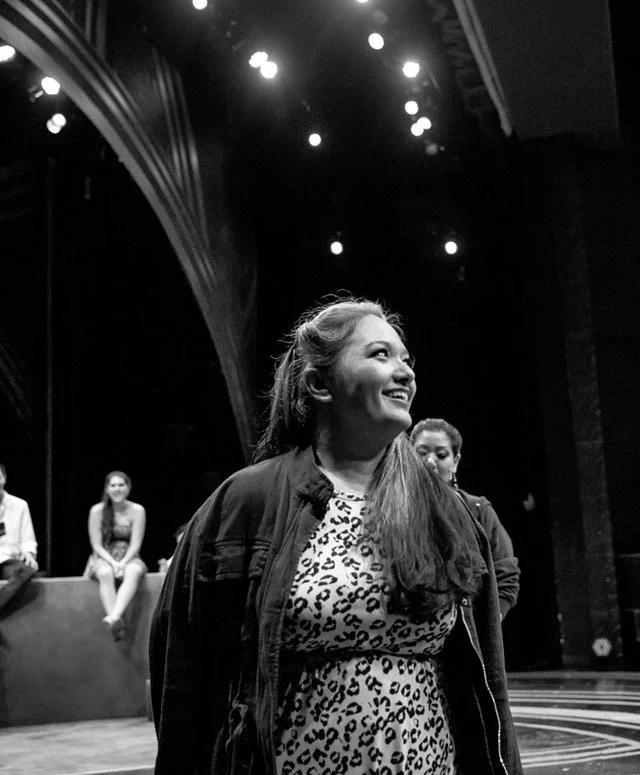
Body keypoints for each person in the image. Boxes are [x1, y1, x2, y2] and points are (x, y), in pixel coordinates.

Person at [150, 298, 523, 775]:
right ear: (319, 383)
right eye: (380, 355)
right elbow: (184, 676)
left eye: (406, 359)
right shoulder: (248, 500)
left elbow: (488, 679)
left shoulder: (443, 509)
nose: (405, 372)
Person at [410, 418, 520, 620]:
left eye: (441, 455)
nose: (430, 462)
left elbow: (506, 574)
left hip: (466, 636)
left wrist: (488, 626)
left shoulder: (477, 510)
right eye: (421, 453)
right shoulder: (395, 509)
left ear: (456, 461)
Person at [84, 471, 147, 640]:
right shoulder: (97, 511)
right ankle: (116, 623)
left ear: (128, 487)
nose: (117, 489)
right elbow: (96, 545)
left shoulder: (137, 510)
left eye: (121, 485)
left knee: (134, 571)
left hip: (129, 555)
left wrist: (124, 562)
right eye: (113, 485)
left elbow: (136, 544)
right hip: (104, 556)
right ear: (107, 488)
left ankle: (113, 617)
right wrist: (113, 563)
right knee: (105, 573)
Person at [0, 462, 38, 613]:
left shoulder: (20, 505)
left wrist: (29, 553)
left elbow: (28, 537)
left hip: (8, 560)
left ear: (4, 479)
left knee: (27, 570)